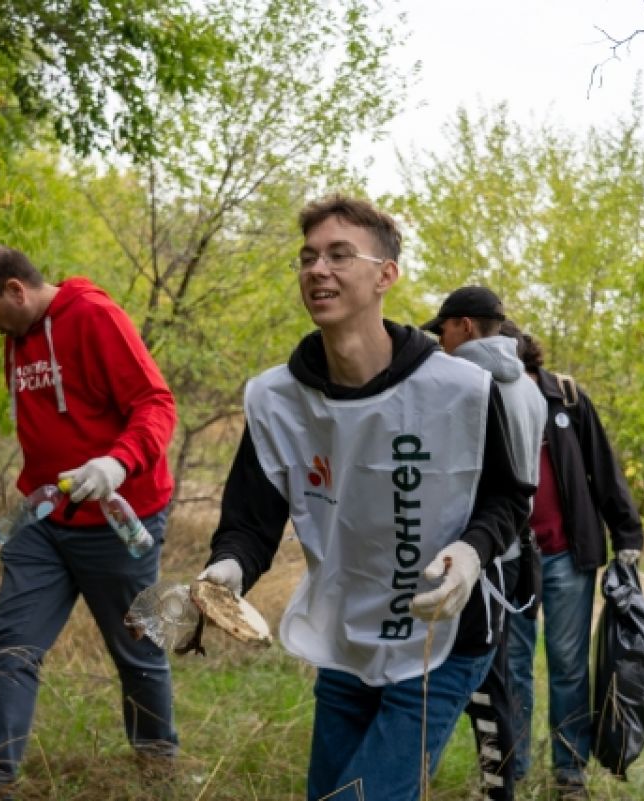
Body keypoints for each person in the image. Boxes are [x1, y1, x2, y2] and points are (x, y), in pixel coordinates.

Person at [195, 196, 533, 801]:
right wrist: (227, 570)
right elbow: (251, 521)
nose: (317, 269)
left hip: (443, 632)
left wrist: (473, 553)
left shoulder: (461, 387)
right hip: (348, 630)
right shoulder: (278, 399)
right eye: (307, 258)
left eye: (339, 255)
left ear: (386, 275)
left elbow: (508, 499)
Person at [0, 244, 179, 797]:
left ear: (15, 290)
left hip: (120, 519)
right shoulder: (17, 337)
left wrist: (115, 463)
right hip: (45, 521)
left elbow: (156, 403)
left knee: (138, 650)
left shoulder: (94, 317)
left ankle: (157, 766)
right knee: (10, 642)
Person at [499, 320, 643, 799]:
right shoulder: (484, 397)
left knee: (567, 666)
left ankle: (570, 772)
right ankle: (510, 768)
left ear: (523, 357)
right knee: (512, 665)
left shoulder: (567, 398)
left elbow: (603, 467)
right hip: (510, 559)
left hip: (565, 555)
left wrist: (627, 532)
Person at [422, 286, 547, 801]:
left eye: (444, 329)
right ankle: (498, 784)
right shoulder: (532, 390)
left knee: (471, 675)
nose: (441, 340)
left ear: (466, 326)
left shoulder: (467, 383)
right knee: (493, 674)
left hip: (479, 553)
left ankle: (492, 788)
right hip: (513, 551)